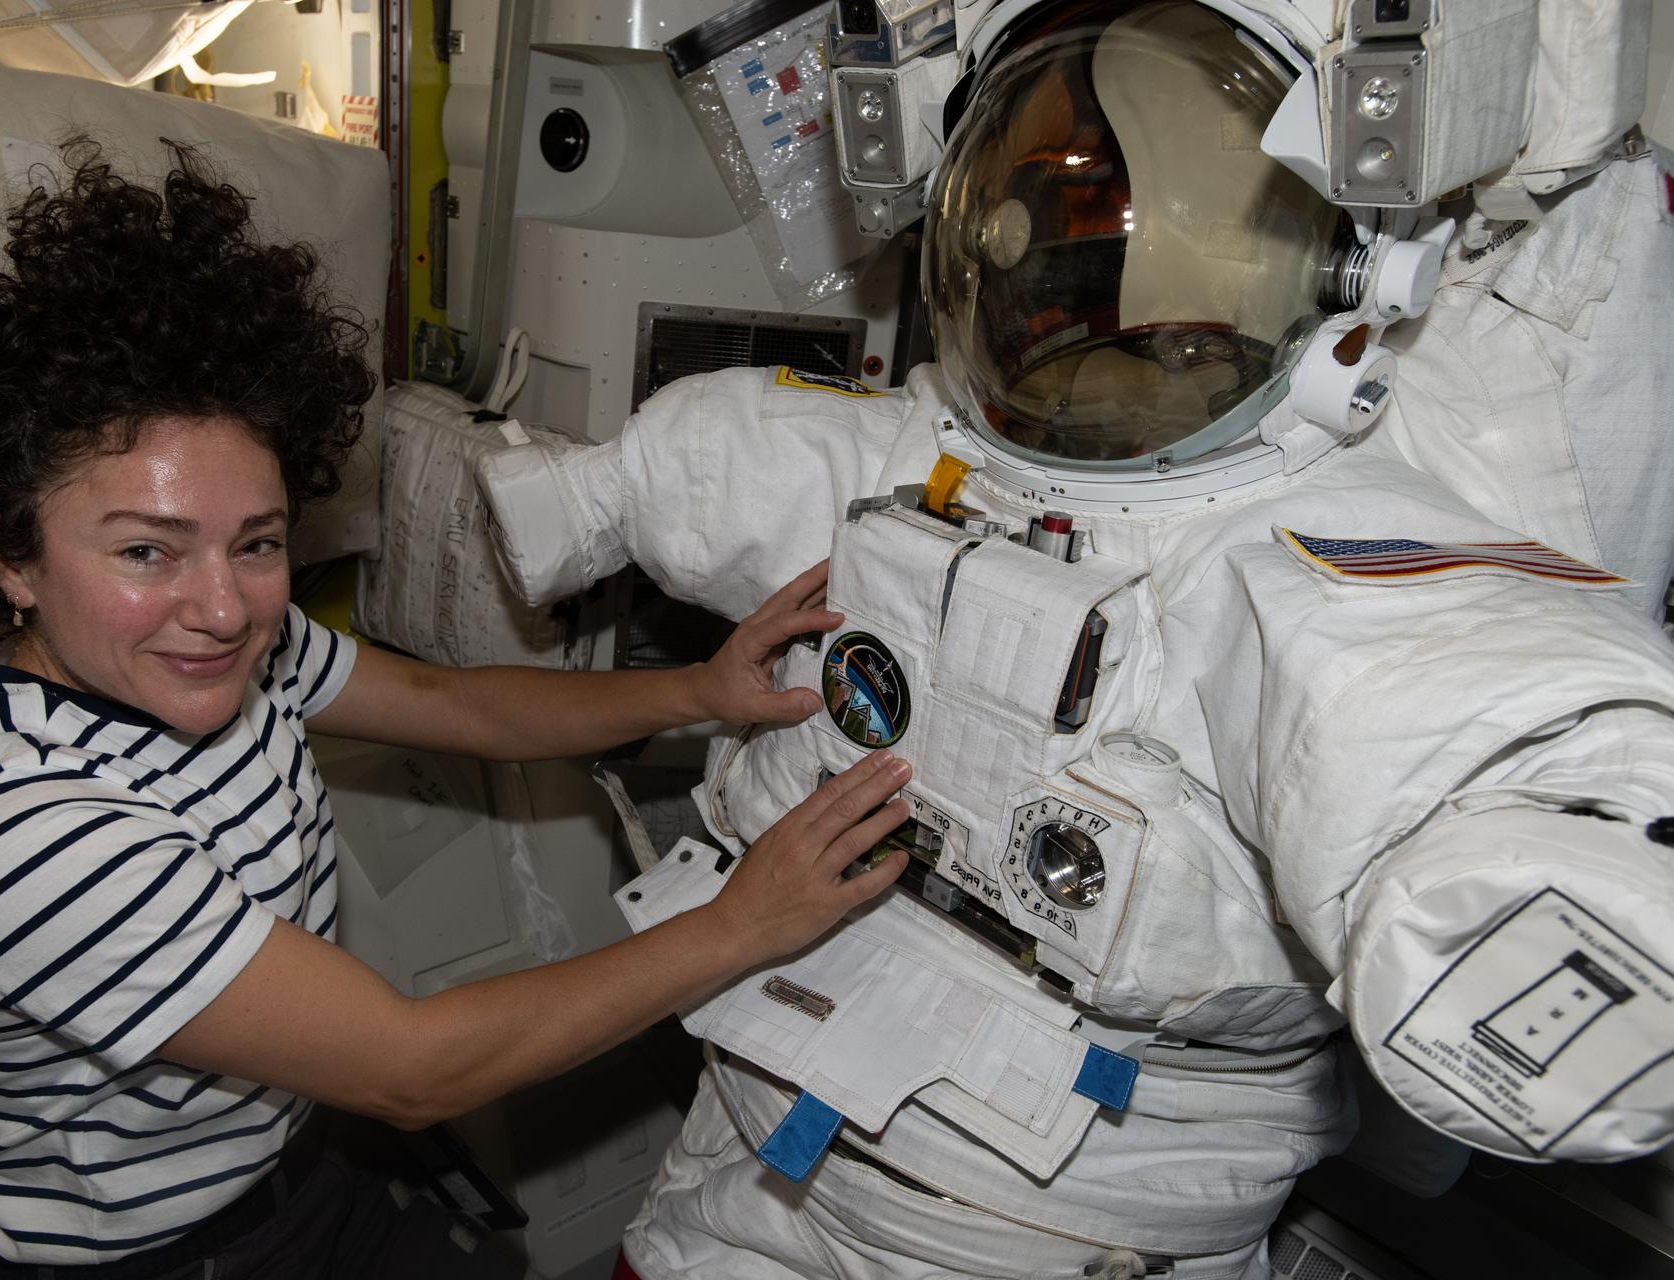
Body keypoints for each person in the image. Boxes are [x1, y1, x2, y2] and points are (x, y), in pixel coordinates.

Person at [470, 3, 1674, 1277]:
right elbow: (753, 452)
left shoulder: (1283, 541)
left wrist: (1528, 879)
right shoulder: (937, 449)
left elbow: (1433, 693)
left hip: (1037, 1217)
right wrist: (600, 496)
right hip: (759, 1111)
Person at [0, 141, 915, 1277]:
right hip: (159, 1253)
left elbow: (461, 706)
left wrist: (699, 689)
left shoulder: (193, 652)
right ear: (13, 553)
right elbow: (413, 1064)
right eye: (146, 549)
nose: (221, 605)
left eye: (257, 541)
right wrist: (744, 923)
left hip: (294, 1146)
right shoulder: (27, 836)